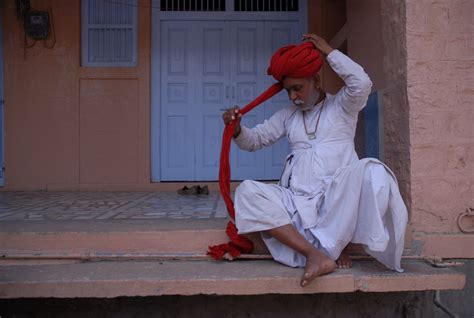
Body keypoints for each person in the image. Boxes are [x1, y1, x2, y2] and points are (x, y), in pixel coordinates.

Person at [222, 34, 408, 287]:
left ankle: (338, 243)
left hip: (336, 200)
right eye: (288, 91)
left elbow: (361, 83)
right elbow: (255, 140)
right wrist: (237, 129)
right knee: (247, 191)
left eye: (297, 88)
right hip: (298, 202)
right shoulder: (288, 116)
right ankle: (316, 254)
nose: (292, 97)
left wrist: (329, 52)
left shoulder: (342, 106)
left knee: (375, 172)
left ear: (316, 80)